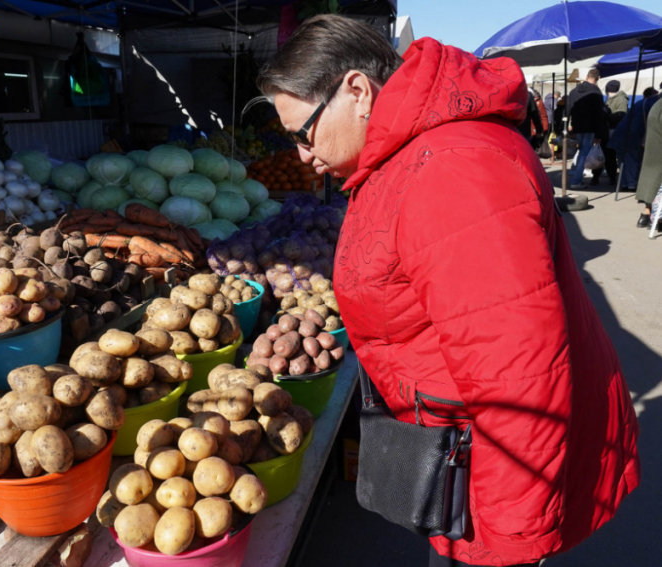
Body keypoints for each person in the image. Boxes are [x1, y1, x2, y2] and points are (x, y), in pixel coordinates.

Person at [258, 15, 639, 567]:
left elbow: (520, 377)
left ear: (358, 92)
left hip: (490, 480)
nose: (300, 154)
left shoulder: (451, 171)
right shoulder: (411, 153)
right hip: (460, 456)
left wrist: (507, 541)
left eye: (303, 133)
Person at [566, 69, 608, 188]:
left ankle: (575, 173)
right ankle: (576, 180)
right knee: (584, 152)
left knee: (581, 151)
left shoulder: (574, 91)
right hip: (590, 127)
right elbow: (599, 115)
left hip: (577, 126)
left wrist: (564, 126)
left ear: (586, 76)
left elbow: (568, 109)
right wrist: (599, 134)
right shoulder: (596, 92)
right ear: (598, 78)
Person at [591, 79, 628, 185]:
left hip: (612, 131)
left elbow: (621, 116)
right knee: (601, 154)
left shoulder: (621, 99)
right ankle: (597, 176)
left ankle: (612, 177)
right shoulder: (610, 98)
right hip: (604, 130)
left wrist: (607, 114)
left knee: (609, 155)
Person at [635, 97, 662, 227]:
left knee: (651, 182)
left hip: (653, 150)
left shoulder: (657, 104)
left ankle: (645, 215)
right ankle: (656, 219)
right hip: (658, 153)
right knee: (657, 184)